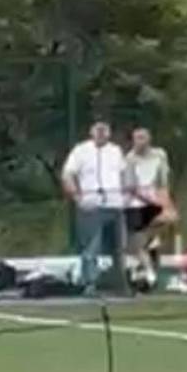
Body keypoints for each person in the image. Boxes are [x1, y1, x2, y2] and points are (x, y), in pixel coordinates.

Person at [61, 121, 128, 295]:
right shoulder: (80, 151)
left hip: (115, 203)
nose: (101, 134)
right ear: (91, 132)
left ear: (109, 133)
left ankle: (118, 283)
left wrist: (126, 197)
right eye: (97, 130)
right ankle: (89, 284)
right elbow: (67, 174)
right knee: (92, 246)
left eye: (104, 130)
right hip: (91, 204)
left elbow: (123, 175)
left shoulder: (116, 151)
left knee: (118, 246)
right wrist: (77, 197)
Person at [123, 127, 175, 283]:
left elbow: (163, 182)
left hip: (155, 198)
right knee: (136, 241)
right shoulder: (130, 158)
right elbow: (131, 187)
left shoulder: (159, 155)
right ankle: (149, 271)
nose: (139, 141)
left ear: (149, 139)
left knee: (169, 220)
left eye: (142, 137)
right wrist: (149, 200)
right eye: (136, 138)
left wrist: (165, 202)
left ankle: (152, 244)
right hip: (135, 203)